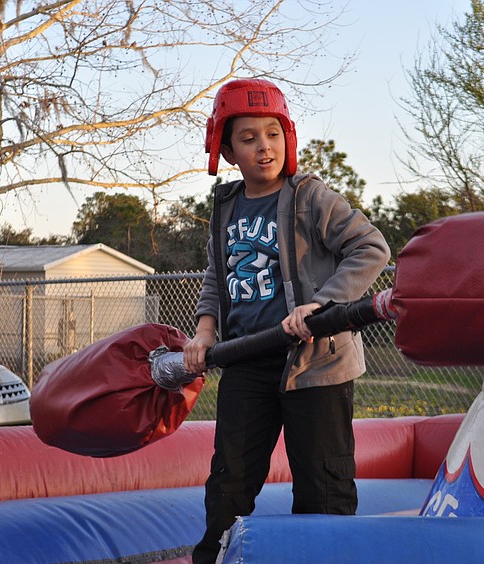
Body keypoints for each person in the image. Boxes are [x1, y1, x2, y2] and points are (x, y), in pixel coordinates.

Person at [183, 78, 390, 563]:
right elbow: (218, 273)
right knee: (230, 481)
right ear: (227, 149)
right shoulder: (225, 207)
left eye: (272, 134)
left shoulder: (310, 197)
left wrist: (323, 303)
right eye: (248, 137)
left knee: (324, 486)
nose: (263, 147)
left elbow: (371, 247)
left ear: (288, 139)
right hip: (246, 360)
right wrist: (205, 331)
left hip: (315, 363)